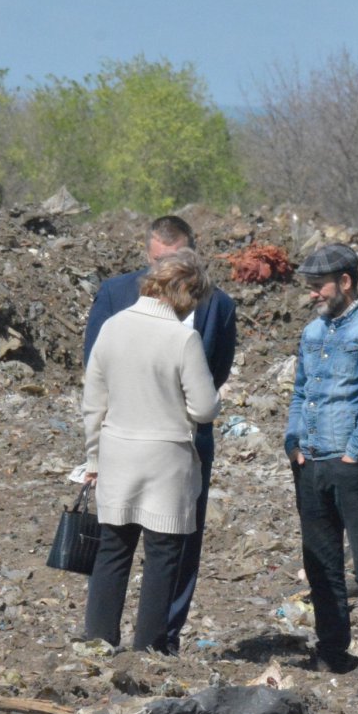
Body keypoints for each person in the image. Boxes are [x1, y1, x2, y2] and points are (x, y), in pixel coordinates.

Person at [81, 215, 237, 654]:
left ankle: (97, 640)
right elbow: (205, 406)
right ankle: (149, 648)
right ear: (183, 295)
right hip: (167, 459)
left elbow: (94, 401)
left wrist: (93, 460)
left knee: (113, 550)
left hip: (117, 451)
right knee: (164, 554)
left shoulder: (113, 327)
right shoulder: (180, 339)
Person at [284, 243, 358, 675]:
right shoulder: (313, 333)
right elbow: (300, 392)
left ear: (345, 282)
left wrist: (355, 450)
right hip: (311, 462)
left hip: (354, 466)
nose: (313, 294)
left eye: (318, 287)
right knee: (321, 564)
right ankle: (332, 650)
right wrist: (292, 443)